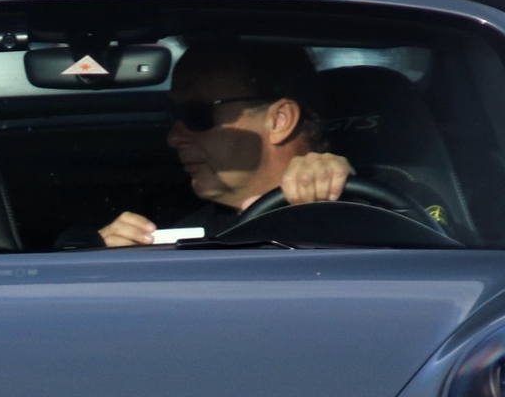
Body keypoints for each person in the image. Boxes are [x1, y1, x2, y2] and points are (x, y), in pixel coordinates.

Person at [95, 39, 352, 248]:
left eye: (197, 114)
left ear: (279, 120)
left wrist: (333, 198)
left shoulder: (371, 217)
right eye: (174, 115)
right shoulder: (174, 239)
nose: (173, 138)